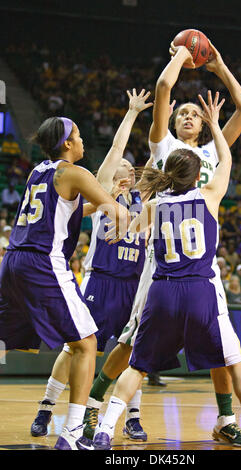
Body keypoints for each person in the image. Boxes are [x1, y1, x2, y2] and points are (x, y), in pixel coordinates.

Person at [89, 92, 241, 451]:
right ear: (196, 174)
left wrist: (117, 220)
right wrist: (217, 125)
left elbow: (128, 228)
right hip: (201, 288)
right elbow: (227, 158)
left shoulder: (156, 204)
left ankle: (103, 428)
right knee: (232, 358)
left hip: (163, 288)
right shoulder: (209, 195)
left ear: (166, 174)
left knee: (138, 365)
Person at [111, 40, 241, 448]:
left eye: (196, 113)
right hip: (164, 260)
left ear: (205, 124)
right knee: (131, 337)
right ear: (173, 124)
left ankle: (226, 418)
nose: (189, 116)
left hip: (202, 262)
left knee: (220, 341)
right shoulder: (164, 147)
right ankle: (94, 409)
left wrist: (220, 66)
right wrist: (181, 54)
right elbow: (162, 90)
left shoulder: (212, 150)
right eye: (183, 113)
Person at [29, 90, 152, 443]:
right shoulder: (102, 193)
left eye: (132, 168)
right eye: (122, 168)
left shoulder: (145, 204)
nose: (127, 169)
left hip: (132, 284)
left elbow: (159, 161)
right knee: (77, 347)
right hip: (102, 281)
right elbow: (115, 150)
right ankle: (47, 406)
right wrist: (130, 114)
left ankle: (131, 416)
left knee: (130, 351)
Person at [0, 116, 130, 450]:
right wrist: (119, 215)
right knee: (86, 343)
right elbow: (116, 212)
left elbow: (71, 210)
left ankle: (59, 419)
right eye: (79, 135)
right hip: (43, 261)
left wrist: (104, 201)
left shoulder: (38, 171)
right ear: (67, 144)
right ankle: (72, 433)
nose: (83, 140)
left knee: (10, 341)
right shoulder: (75, 172)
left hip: (13, 261)